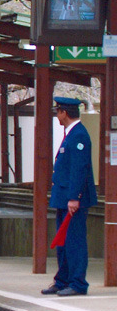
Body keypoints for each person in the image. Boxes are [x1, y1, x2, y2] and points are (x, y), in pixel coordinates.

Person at [41, 97, 97, 297]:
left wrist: (75, 197)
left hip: (72, 199)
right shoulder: (71, 134)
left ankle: (78, 283)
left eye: (58, 112)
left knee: (74, 241)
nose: (57, 115)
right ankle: (62, 279)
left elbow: (79, 169)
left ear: (64, 112)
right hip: (64, 196)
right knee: (63, 241)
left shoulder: (79, 135)